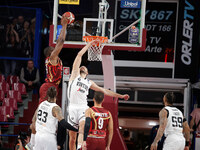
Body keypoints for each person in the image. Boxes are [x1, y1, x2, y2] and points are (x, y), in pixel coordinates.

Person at [67, 41, 130, 150]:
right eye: (82, 66)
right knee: (72, 137)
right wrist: (89, 44)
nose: (83, 67)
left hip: (83, 108)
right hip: (72, 107)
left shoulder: (89, 82)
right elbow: (79, 55)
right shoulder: (74, 75)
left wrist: (120, 96)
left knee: (82, 129)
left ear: (87, 73)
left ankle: (80, 148)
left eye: (85, 67)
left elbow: (105, 91)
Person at [39, 14, 68, 104]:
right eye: (53, 49)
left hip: (52, 86)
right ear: (50, 53)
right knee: (45, 109)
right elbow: (62, 42)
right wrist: (64, 26)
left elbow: (59, 41)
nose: (55, 49)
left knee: (48, 110)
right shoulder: (52, 57)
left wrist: (62, 26)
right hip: (49, 86)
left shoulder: (52, 58)